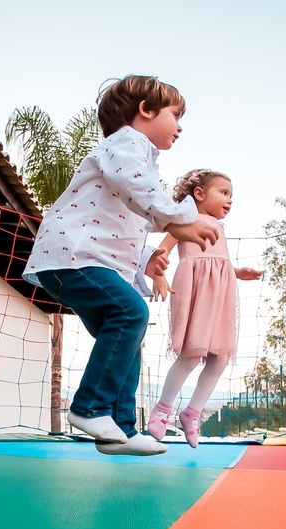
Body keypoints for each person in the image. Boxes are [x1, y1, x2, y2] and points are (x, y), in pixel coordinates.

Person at [23, 75, 220, 456]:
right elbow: (138, 187)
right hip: (73, 258)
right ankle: (89, 407)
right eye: (175, 114)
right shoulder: (126, 145)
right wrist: (180, 218)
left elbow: (123, 223)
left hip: (87, 260)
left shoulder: (136, 156)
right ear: (145, 111)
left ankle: (120, 430)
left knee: (128, 341)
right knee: (131, 312)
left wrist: (148, 257)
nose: (180, 126)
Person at [144, 170, 262, 447]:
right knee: (192, 353)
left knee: (220, 356)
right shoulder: (185, 218)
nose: (229, 200)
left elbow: (215, 261)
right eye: (223, 193)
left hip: (221, 292)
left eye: (231, 195)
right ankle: (163, 409)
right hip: (195, 289)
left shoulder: (219, 227)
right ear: (199, 194)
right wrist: (159, 275)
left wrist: (236, 272)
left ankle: (192, 412)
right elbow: (163, 249)